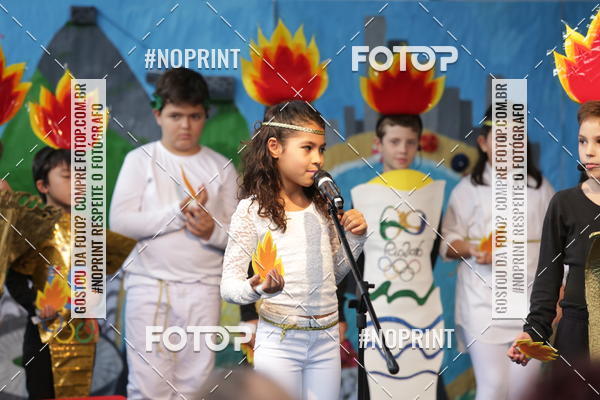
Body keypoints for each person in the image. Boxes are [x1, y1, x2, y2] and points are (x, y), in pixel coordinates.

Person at [220, 100, 367, 400]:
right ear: (275, 147)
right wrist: (256, 287)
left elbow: (333, 274)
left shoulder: (323, 205)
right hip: (280, 340)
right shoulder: (251, 210)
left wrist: (356, 238)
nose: (317, 159)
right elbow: (228, 286)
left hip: (326, 338)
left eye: (321, 149)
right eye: (307, 148)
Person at [109, 67, 238, 400]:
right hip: (149, 286)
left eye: (194, 116)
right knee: (147, 388)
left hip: (203, 288)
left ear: (205, 116)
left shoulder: (222, 167)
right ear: (158, 115)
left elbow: (241, 239)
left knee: (195, 388)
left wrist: (211, 230)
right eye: (175, 115)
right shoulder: (140, 160)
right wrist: (177, 214)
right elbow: (120, 223)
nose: (185, 125)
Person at [440, 107, 555, 400]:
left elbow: (559, 245)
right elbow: (447, 243)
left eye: (516, 138)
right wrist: (473, 248)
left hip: (531, 305)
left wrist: (561, 287)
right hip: (482, 304)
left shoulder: (541, 189)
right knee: (493, 387)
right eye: (500, 138)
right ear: (483, 143)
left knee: (525, 391)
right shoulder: (467, 189)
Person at [6, 147, 135, 399]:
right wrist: (36, 304)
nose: (78, 183)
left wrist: (92, 294)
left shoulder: (92, 232)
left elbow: (98, 277)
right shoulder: (32, 229)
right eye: (67, 176)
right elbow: (15, 277)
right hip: (42, 333)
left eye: (81, 176)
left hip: (83, 334)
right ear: (43, 186)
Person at [508, 100, 600, 369]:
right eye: (582, 141)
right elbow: (548, 278)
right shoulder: (564, 204)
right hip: (576, 336)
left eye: (599, 141)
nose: (589, 151)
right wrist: (534, 333)